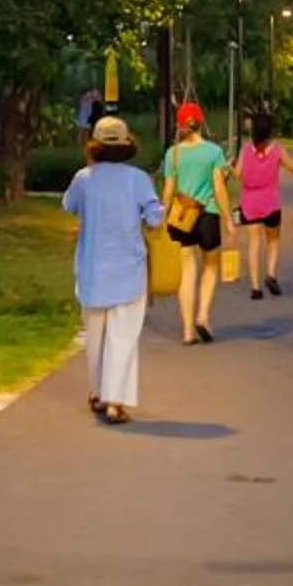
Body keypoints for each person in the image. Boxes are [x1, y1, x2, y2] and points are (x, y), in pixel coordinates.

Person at [61, 116, 163, 424]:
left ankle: (96, 391)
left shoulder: (83, 178)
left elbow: (68, 205)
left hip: (92, 269)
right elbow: (156, 217)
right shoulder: (138, 179)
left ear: (94, 145)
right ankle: (116, 402)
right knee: (123, 337)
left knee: (95, 337)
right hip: (129, 269)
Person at [158, 102, 228, 345]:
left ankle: (187, 330)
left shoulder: (173, 153)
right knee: (210, 267)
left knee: (187, 271)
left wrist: (160, 217)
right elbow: (219, 188)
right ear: (200, 122)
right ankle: (203, 315)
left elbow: (168, 190)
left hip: (181, 217)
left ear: (180, 125)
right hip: (207, 214)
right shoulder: (213, 152)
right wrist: (228, 219)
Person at [234, 108, 291, 301]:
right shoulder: (277, 149)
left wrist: (232, 166)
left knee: (253, 244)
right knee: (273, 241)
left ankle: (255, 287)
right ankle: (271, 274)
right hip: (271, 203)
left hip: (250, 204)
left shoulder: (245, 150)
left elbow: (238, 174)